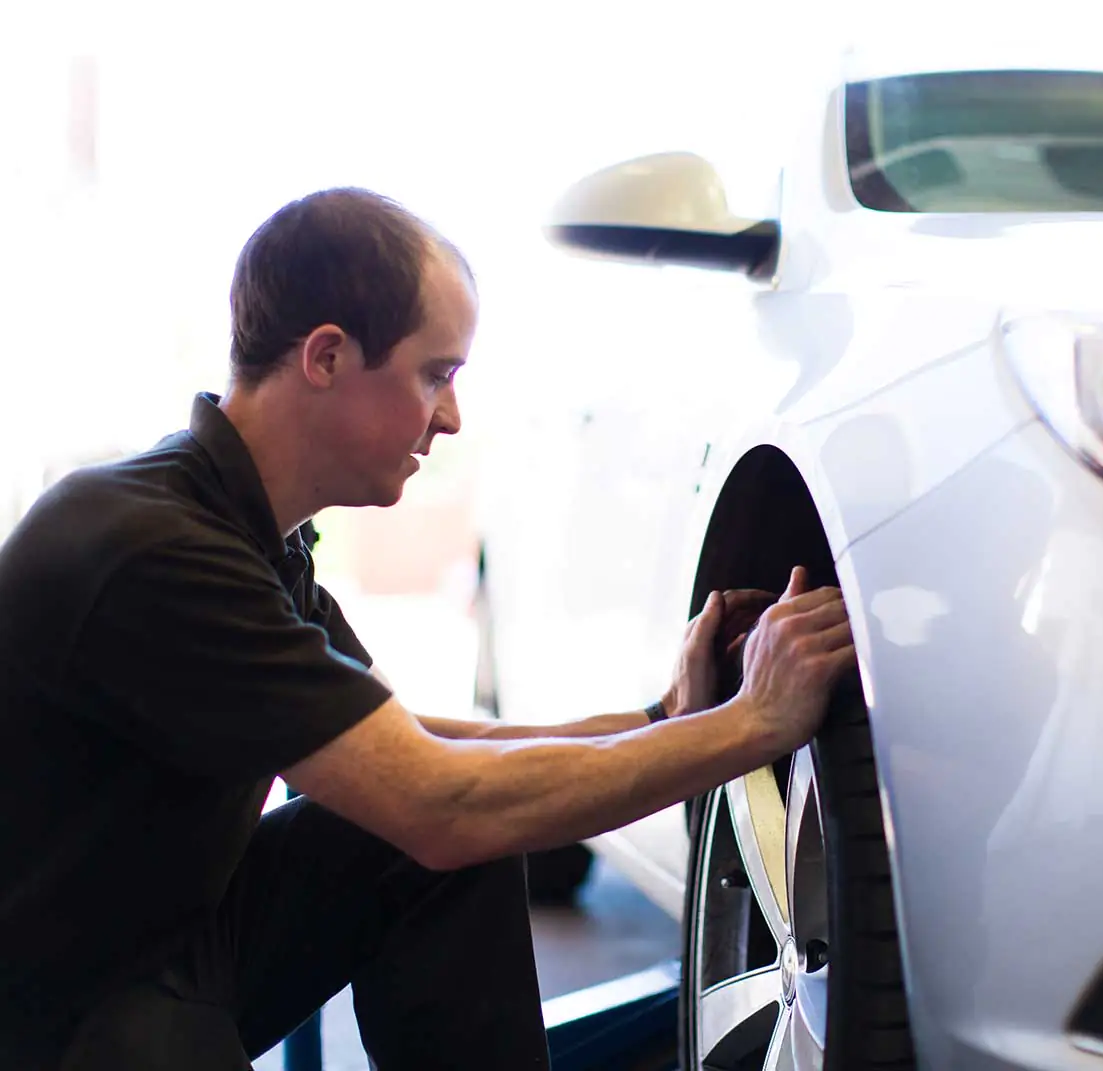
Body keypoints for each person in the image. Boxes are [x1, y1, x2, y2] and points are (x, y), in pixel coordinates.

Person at [0, 188, 857, 1070]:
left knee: (439, 844)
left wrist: (666, 717)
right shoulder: (152, 549)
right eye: (434, 375)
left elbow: (411, 751)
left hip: (163, 947)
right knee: (447, 825)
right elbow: (436, 800)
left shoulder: (252, 537)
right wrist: (750, 722)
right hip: (58, 1012)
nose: (449, 417)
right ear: (327, 356)